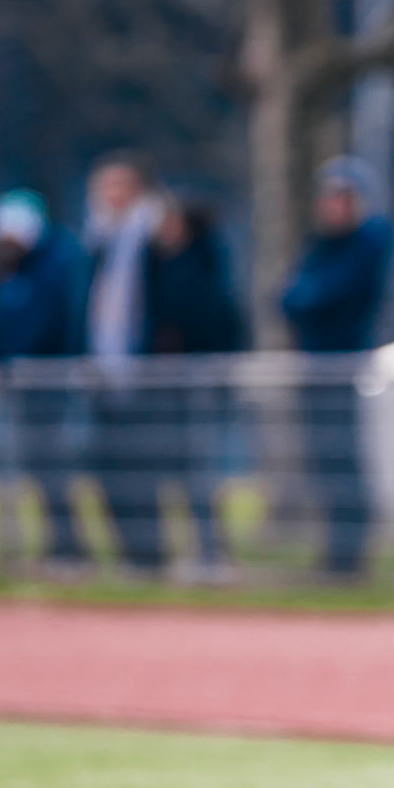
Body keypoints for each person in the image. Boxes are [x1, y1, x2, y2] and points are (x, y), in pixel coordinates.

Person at [0, 189, 86, 569]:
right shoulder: (14, 276)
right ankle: (59, 549)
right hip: (23, 387)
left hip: (45, 385)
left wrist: (8, 360)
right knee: (38, 473)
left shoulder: (50, 269)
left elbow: (41, 327)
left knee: (53, 470)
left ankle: (68, 550)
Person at [281, 158, 393, 576]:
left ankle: (349, 555)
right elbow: (289, 298)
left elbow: (319, 296)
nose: (333, 207)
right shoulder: (319, 243)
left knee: (343, 461)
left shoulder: (368, 241)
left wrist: (307, 297)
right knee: (321, 462)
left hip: (343, 367)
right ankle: (333, 554)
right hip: (314, 366)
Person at [144, 193, 247, 578]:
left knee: (201, 474)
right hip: (170, 387)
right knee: (178, 474)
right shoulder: (158, 265)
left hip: (199, 386)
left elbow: (215, 323)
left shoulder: (201, 268)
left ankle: (212, 553)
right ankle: (197, 552)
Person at [82, 152, 166, 571]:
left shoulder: (156, 237)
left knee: (146, 471)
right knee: (107, 470)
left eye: (122, 187)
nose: (113, 196)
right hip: (104, 374)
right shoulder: (96, 240)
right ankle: (130, 555)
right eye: (106, 187)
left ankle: (151, 555)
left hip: (148, 375)